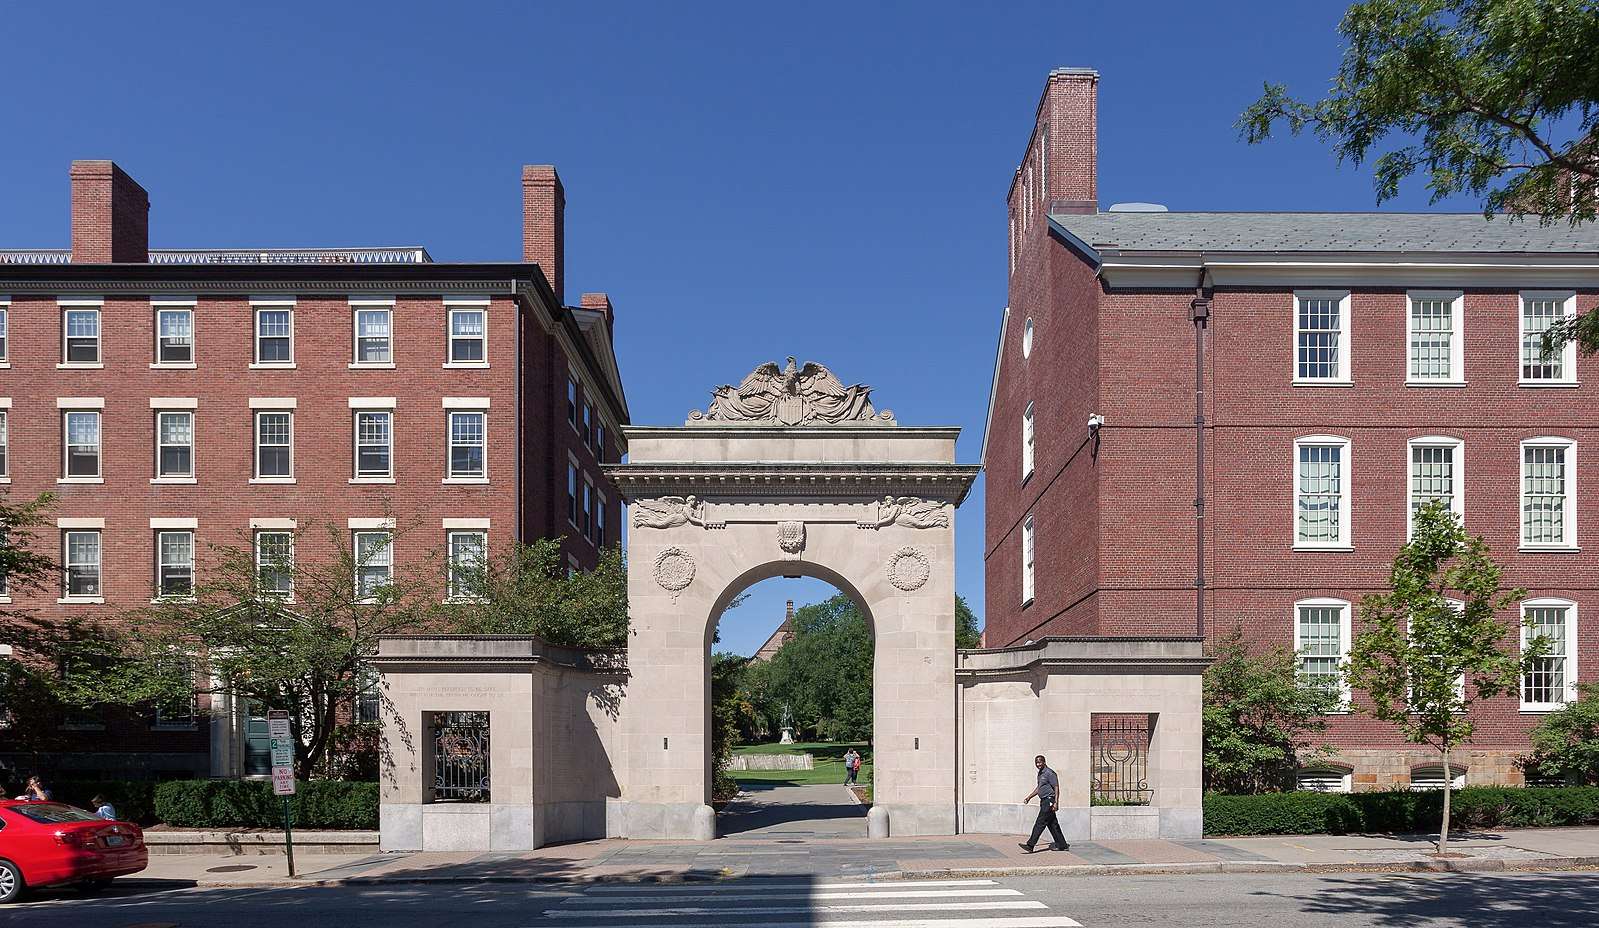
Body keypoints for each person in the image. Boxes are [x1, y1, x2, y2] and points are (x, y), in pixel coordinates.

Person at [1019, 754, 1068, 853]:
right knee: (1052, 824)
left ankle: (1030, 845)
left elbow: (1056, 788)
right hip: (1044, 801)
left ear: (1044, 762)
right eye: (1036, 763)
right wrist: (1029, 797)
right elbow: (1039, 788)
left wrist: (1056, 802)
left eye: (1040, 762)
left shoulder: (1050, 773)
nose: (1038, 764)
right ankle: (1062, 845)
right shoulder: (1040, 774)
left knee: (1040, 823)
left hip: (1049, 800)